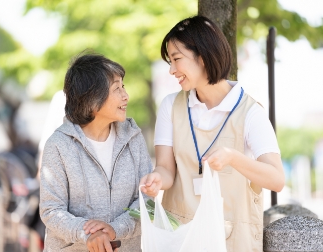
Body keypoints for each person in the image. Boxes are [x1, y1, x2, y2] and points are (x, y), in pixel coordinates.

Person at [140, 16, 285, 252]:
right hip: (181, 238)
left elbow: (276, 179)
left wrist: (232, 157)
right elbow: (166, 169)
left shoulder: (250, 112)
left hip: (232, 241)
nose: (171, 70)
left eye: (177, 59)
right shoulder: (170, 106)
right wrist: (157, 179)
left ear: (203, 55)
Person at [40, 52, 152, 252]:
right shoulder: (58, 145)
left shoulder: (134, 138)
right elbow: (51, 210)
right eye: (116, 88)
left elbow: (146, 202)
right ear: (92, 99)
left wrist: (114, 229)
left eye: (123, 86)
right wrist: (88, 234)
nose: (126, 95)